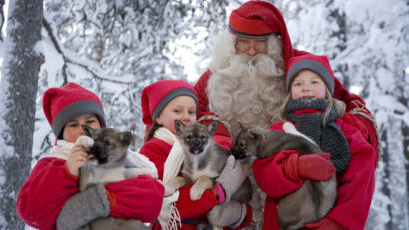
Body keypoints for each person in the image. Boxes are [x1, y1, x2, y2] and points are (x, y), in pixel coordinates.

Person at [193, 1, 380, 228]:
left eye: (260, 43)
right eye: (243, 42)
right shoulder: (213, 80)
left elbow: (350, 106)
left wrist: (339, 129)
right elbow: (178, 116)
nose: (251, 51)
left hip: (289, 201)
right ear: (230, 43)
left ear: (273, 44)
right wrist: (218, 131)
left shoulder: (299, 69)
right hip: (230, 200)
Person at [16, 82, 164, 230]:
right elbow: (30, 211)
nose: (82, 130)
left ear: (100, 125)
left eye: (90, 121)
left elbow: (152, 200)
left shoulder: (121, 156)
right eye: (73, 125)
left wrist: (102, 200)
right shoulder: (52, 164)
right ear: (61, 134)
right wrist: (67, 172)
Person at [252, 54, 376, 229]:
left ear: (327, 89)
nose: (305, 88)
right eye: (298, 83)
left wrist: (338, 221)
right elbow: (263, 170)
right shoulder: (279, 129)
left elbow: (360, 176)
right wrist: (294, 167)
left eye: (314, 82)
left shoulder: (346, 130)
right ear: (290, 93)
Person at [139, 79, 252, 230]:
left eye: (191, 112)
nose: (186, 117)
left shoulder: (200, 147)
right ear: (158, 117)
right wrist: (215, 194)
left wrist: (238, 213)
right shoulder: (153, 150)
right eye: (177, 111)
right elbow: (162, 203)